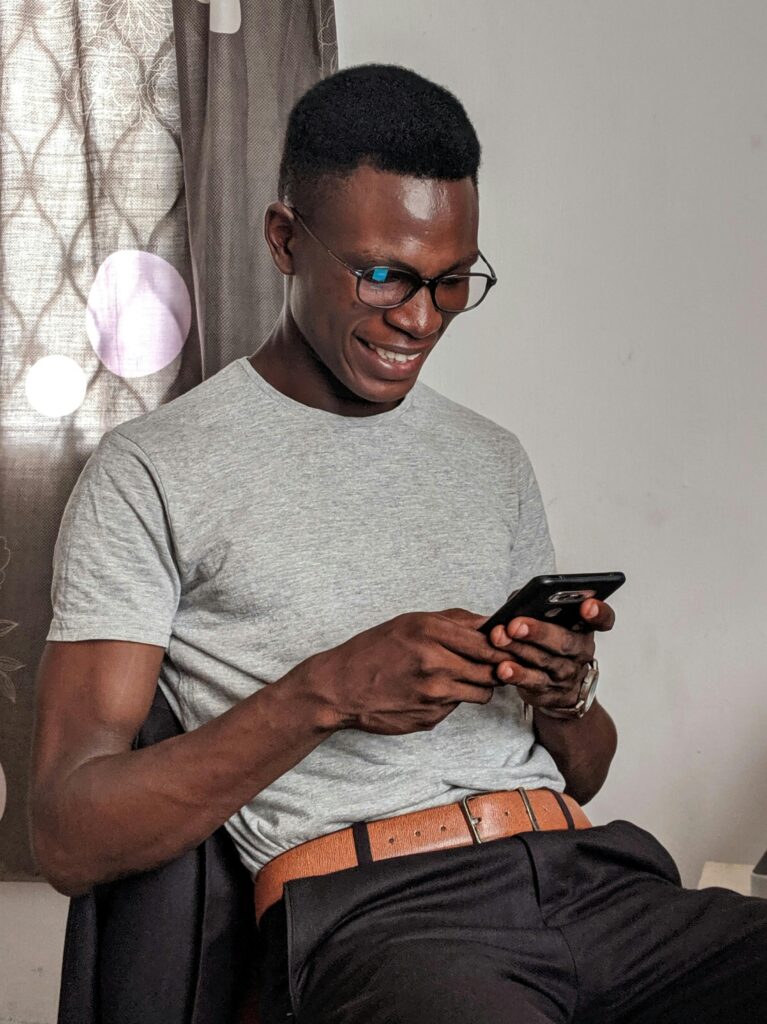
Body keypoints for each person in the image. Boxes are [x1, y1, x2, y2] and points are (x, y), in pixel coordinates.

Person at [32, 64, 766, 1024]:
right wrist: (328, 692)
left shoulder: (490, 459)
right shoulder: (149, 471)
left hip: (594, 879)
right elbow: (69, 832)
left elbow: (584, 769)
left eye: (451, 281)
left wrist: (564, 691)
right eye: (382, 274)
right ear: (284, 239)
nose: (420, 319)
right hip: (385, 917)